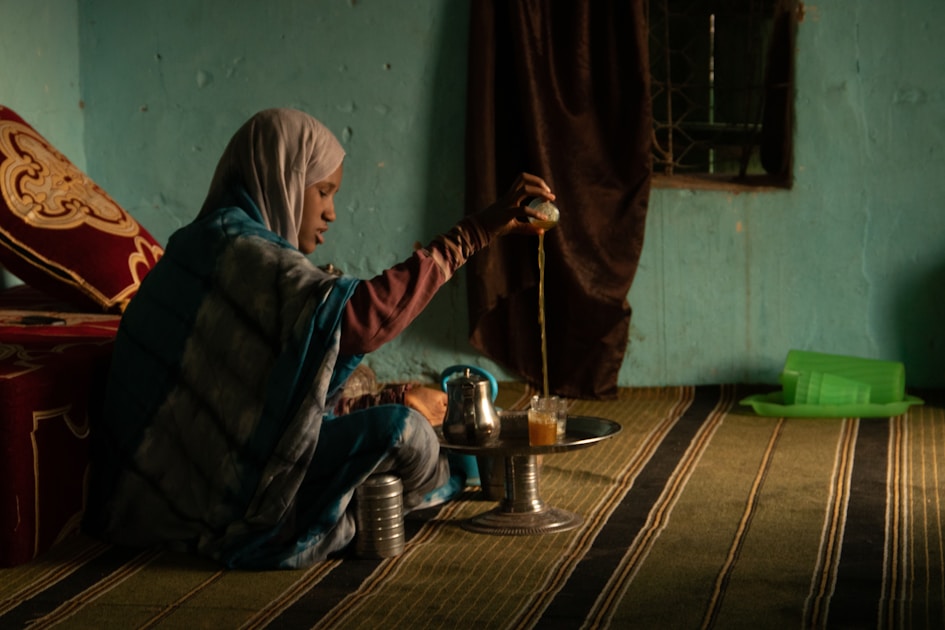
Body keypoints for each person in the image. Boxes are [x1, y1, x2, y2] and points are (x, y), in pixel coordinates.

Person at [85, 108, 555, 569]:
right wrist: (475, 232)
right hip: (217, 499)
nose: (331, 212)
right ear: (281, 179)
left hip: (149, 497)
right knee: (406, 434)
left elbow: (274, 399)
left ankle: (364, 495)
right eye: (324, 191)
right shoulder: (240, 253)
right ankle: (375, 506)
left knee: (395, 419)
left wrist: (387, 396)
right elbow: (363, 320)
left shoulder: (205, 245)